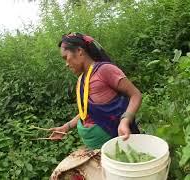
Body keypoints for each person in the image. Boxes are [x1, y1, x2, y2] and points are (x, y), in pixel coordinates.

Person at [49, 32, 142, 179]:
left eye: (65, 57)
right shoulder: (81, 80)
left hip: (116, 147)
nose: (66, 64)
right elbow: (86, 111)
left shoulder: (105, 71)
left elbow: (135, 95)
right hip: (94, 149)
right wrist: (66, 127)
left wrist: (125, 121)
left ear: (79, 51)